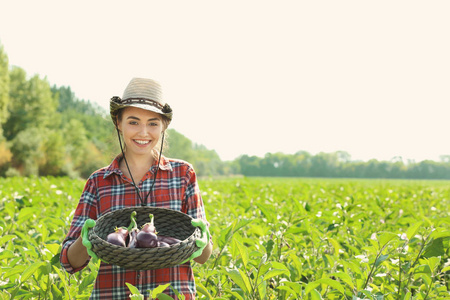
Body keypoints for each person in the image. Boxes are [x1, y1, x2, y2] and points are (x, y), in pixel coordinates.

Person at [60, 78, 213, 299]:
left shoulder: (183, 175)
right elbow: (69, 261)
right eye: (133, 122)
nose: (143, 132)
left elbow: (202, 256)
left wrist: (203, 239)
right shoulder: (99, 181)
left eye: (152, 123)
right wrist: (87, 239)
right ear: (118, 123)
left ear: (163, 126)